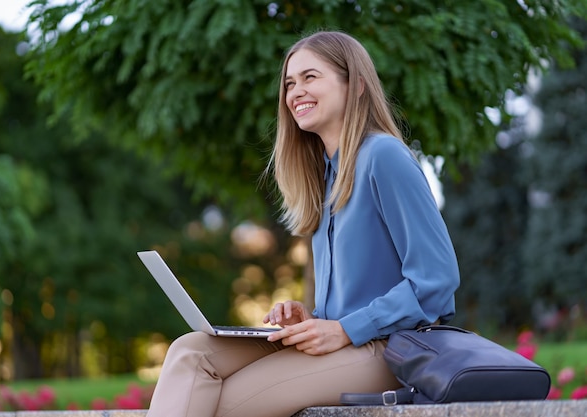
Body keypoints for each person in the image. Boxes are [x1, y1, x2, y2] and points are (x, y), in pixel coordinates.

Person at [145, 30, 460, 417]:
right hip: (344, 345)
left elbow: (436, 280)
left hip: (390, 350)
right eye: (290, 83)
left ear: (357, 85)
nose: (295, 92)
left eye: (311, 77)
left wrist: (344, 329)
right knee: (190, 351)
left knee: (220, 401)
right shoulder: (324, 177)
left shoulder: (384, 156)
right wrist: (314, 320)